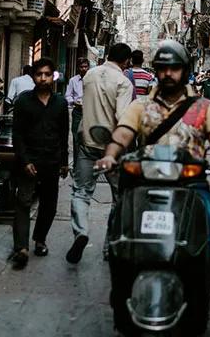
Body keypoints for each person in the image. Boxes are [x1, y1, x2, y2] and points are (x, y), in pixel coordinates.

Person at [94, 41, 210, 252]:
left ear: (185, 70)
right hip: (146, 180)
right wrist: (110, 155)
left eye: (175, 68)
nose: (168, 73)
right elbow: (123, 132)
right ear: (156, 72)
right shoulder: (141, 106)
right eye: (162, 68)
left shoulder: (204, 107)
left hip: (190, 183)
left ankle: (207, 280)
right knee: (120, 224)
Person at [68, 43, 134, 264]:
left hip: (87, 142)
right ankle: (110, 245)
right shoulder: (123, 82)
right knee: (120, 197)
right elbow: (123, 116)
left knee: (80, 192)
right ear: (126, 62)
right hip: (112, 149)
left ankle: (82, 231)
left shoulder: (90, 76)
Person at [9, 58, 70, 270]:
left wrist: (64, 162)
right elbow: (17, 134)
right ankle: (21, 248)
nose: (42, 78)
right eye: (38, 74)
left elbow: (64, 133)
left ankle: (40, 239)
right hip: (29, 161)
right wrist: (24, 160)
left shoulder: (60, 103)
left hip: (52, 161)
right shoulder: (23, 101)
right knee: (23, 202)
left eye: (46, 74)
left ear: (53, 76)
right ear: (33, 76)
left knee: (49, 205)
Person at [66, 58, 90, 152]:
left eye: (86, 66)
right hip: (78, 111)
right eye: (81, 67)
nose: (84, 69)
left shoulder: (93, 79)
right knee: (76, 137)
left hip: (89, 111)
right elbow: (68, 95)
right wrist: (73, 102)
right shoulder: (73, 80)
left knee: (88, 138)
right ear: (78, 68)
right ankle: (76, 164)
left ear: (88, 67)